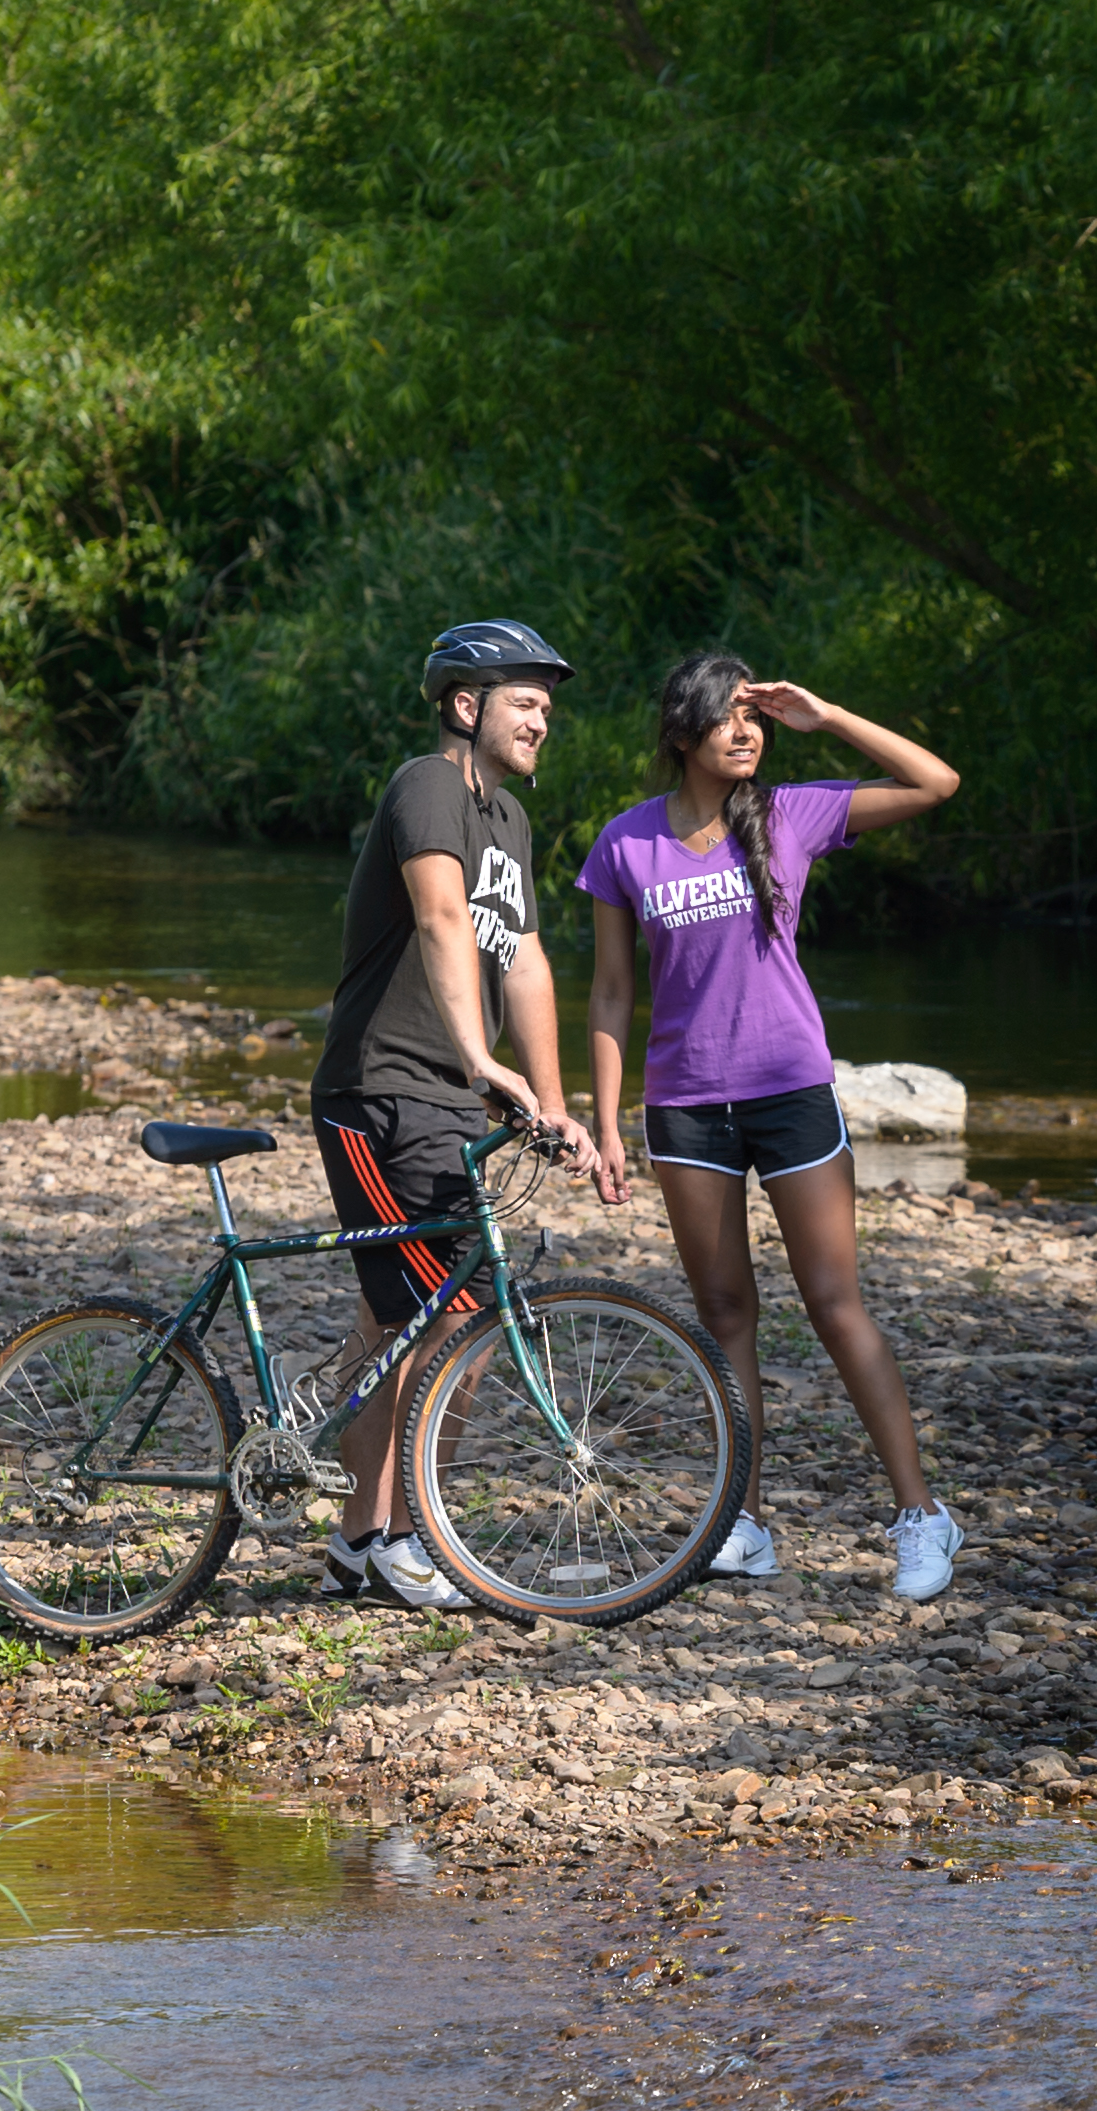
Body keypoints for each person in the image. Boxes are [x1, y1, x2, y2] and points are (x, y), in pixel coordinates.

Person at [578, 651, 966, 1602]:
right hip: (685, 1106)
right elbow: (613, 989)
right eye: (726, 718)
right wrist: (607, 1121)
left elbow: (935, 783)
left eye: (755, 717)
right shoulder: (625, 846)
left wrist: (826, 715)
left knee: (837, 1305)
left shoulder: (793, 814)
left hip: (791, 1092)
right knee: (725, 1318)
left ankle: (922, 1518)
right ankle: (741, 1524)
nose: (747, 732)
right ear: (681, 737)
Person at [310, 619, 584, 1610]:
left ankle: (360, 1544)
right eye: (524, 701)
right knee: (455, 1310)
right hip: (383, 1088)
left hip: (440, 1099)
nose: (541, 720)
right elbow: (436, 917)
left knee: (397, 1314)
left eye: (549, 708)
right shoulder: (427, 786)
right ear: (464, 707)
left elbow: (525, 961)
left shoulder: (506, 823)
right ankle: (410, 1538)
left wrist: (553, 1102)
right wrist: (479, 1060)